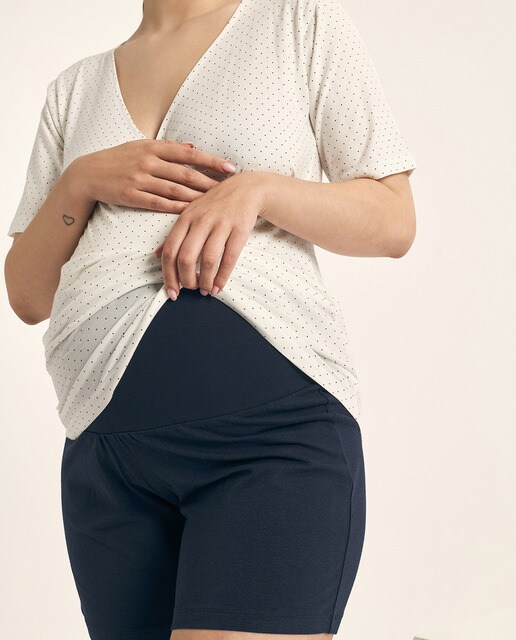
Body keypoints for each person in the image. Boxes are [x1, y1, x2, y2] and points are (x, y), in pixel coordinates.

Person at [4, 1, 417, 639]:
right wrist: (78, 183)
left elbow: (393, 222)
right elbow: (28, 296)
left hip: (265, 443)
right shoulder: (74, 89)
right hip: (104, 460)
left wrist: (260, 191)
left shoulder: (297, 23)